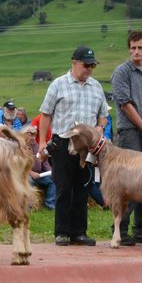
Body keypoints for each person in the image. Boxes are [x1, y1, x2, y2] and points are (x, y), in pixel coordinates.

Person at [37, 45, 109, 247]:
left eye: (92, 66)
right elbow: (45, 114)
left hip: (87, 145)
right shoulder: (58, 84)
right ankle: (62, 232)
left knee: (83, 187)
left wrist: (100, 128)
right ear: (74, 63)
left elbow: (103, 115)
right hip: (63, 141)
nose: (89, 69)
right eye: (86, 65)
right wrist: (43, 142)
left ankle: (79, 232)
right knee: (63, 187)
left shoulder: (96, 87)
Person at [109, 30, 142, 245]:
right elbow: (125, 105)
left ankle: (141, 229)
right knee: (129, 181)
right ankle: (119, 229)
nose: (136, 51)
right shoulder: (121, 72)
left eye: (140, 47)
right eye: (133, 48)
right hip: (131, 131)